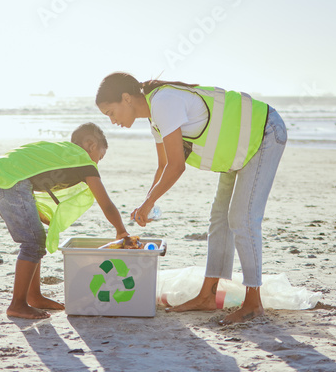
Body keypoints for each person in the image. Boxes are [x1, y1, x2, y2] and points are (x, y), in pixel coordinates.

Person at [95, 73, 286, 325]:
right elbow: (163, 164)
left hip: (263, 133)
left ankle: (253, 302)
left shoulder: (163, 102)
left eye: (111, 112)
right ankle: (207, 296)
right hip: (236, 150)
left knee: (242, 218)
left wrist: (149, 202)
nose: (112, 120)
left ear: (126, 98)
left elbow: (176, 166)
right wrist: (146, 202)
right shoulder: (155, 119)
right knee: (220, 219)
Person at [0, 123, 129, 319]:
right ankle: (17, 304)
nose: (97, 164)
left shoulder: (62, 154)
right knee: (33, 242)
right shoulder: (82, 160)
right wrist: (121, 231)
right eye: (100, 157)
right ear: (91, 144)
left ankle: (34, 296)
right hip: (9, 180)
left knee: (36, 238)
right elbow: (106, 204)